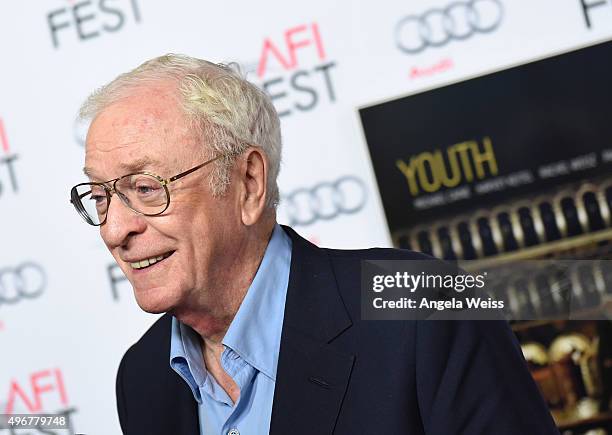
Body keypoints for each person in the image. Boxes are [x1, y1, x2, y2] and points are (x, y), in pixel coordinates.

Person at [71, 54, 559, 435]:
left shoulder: (420, 310)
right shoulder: (143, 378)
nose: (114, 230)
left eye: (146, 188)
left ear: (248, 183)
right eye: (100, 196)